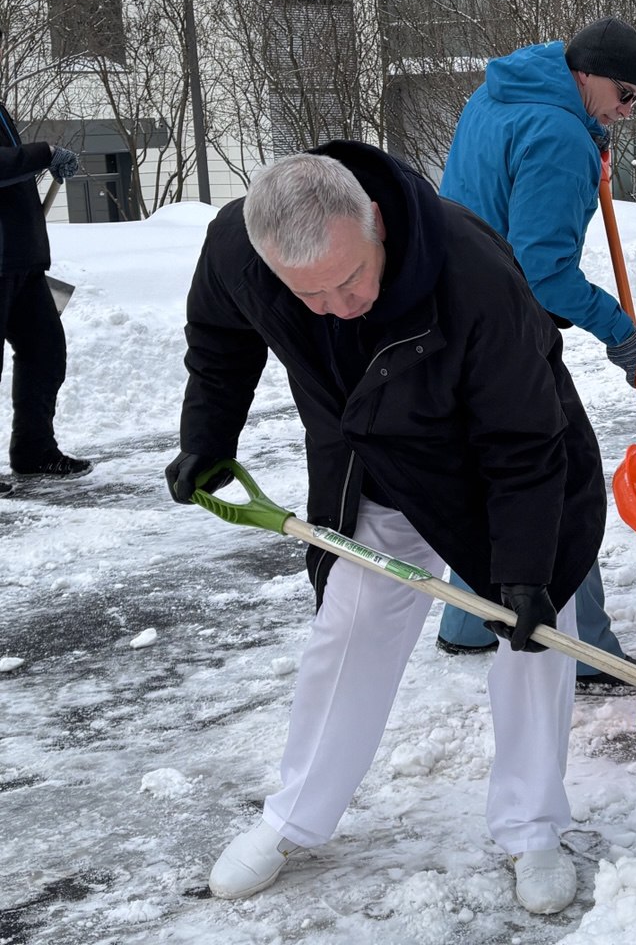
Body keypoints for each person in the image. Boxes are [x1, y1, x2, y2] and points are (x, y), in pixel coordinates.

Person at [164, 141, 607, 915]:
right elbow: (221, 340)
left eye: (349, 280)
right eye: (310, 295)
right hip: (375, 463)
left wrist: (529, 570)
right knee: (352, 625)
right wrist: (208, 435)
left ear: (374, 221)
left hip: (502, 466)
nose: (337, 305)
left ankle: (532, 827)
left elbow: (522, 442)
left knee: (534, 636)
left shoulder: (473, 276)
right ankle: (294, 819)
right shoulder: (240, 247)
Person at [435, 17, 636, 693]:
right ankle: (587, 650)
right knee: (561, 479)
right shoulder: (560, 136)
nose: (626, 110)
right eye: (625, 94)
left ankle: (469, 623)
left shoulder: (497, 94)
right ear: (585, 74)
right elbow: (543, 270)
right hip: (502, 321)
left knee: (492, 468)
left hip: (448, 306)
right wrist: (615, 326)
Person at [0, 28, 92, 496]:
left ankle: (33, 450)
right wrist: (44, 152)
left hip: (21, 258)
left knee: (44, 351)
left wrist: (40, 162)